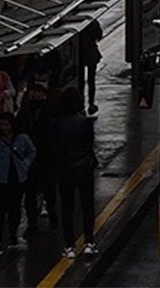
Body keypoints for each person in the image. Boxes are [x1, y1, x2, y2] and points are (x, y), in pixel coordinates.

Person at [50, 87, 98, 259]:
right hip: (84, 167)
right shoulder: (85, 122)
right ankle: (89, 242)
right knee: (87, 206)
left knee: (67, 208)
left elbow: (53, 147)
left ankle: (69, 245)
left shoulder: (55, 124)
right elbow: (89, 143)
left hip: (65, 169)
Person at [0, 113, 37, 256]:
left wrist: (26, 164)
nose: (4, 128)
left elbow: (32, 152)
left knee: (14, 210)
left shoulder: (22, 138)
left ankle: (12, 236)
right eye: (1, 125)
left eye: (6, 124)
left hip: (16, 180)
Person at [16, 83, 54, 233]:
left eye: (39, 94)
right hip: (31, 159)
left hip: (45, 156)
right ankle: (33, 222)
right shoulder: (25, 113)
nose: (37, 96)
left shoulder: (49, 111)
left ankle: (51, 214)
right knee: (31, 192)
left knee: (47, 190)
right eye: (34, 93)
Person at [78, 21, 102, 116]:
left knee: (80, 81)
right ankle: (91, 103)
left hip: (80, 55)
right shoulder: (93, 22)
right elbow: (99, 36)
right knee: (91, 81)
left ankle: (81, 105)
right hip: (91, 53)